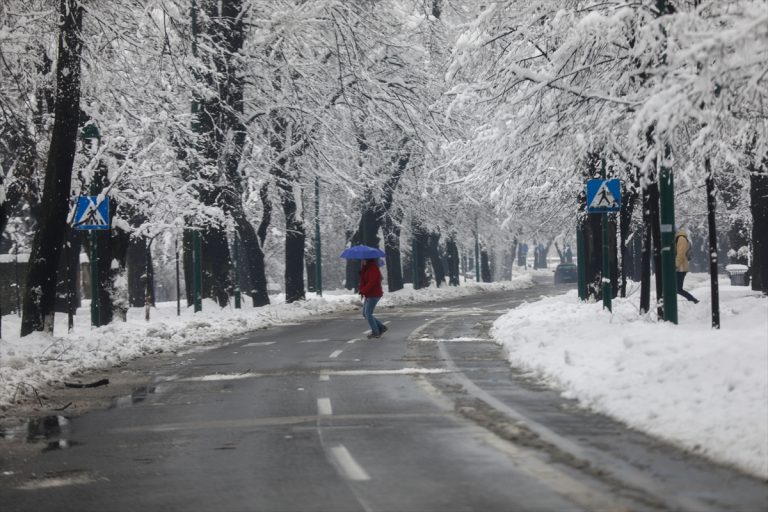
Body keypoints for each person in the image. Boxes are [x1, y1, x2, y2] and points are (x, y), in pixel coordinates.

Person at [359, 258, 387, 338]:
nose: (362, 261)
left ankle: (376, 332)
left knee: (368, 313)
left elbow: (372, 282)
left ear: (367, 260)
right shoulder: (366, 268)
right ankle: (381, 327)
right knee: (365, 314)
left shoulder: (373, 268)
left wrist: (363, 290)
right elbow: (364, 281)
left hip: (374, 294)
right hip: (369, 294)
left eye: (363, 260)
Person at [675, 228, 699, 304]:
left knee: (678, 289)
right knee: (676, 288)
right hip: (680, 267)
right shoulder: (680, 238)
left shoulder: (681, 239)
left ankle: (693, 300)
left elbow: (680, 254)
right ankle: (692, 300)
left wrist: (676, 265)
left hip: (680, 268)